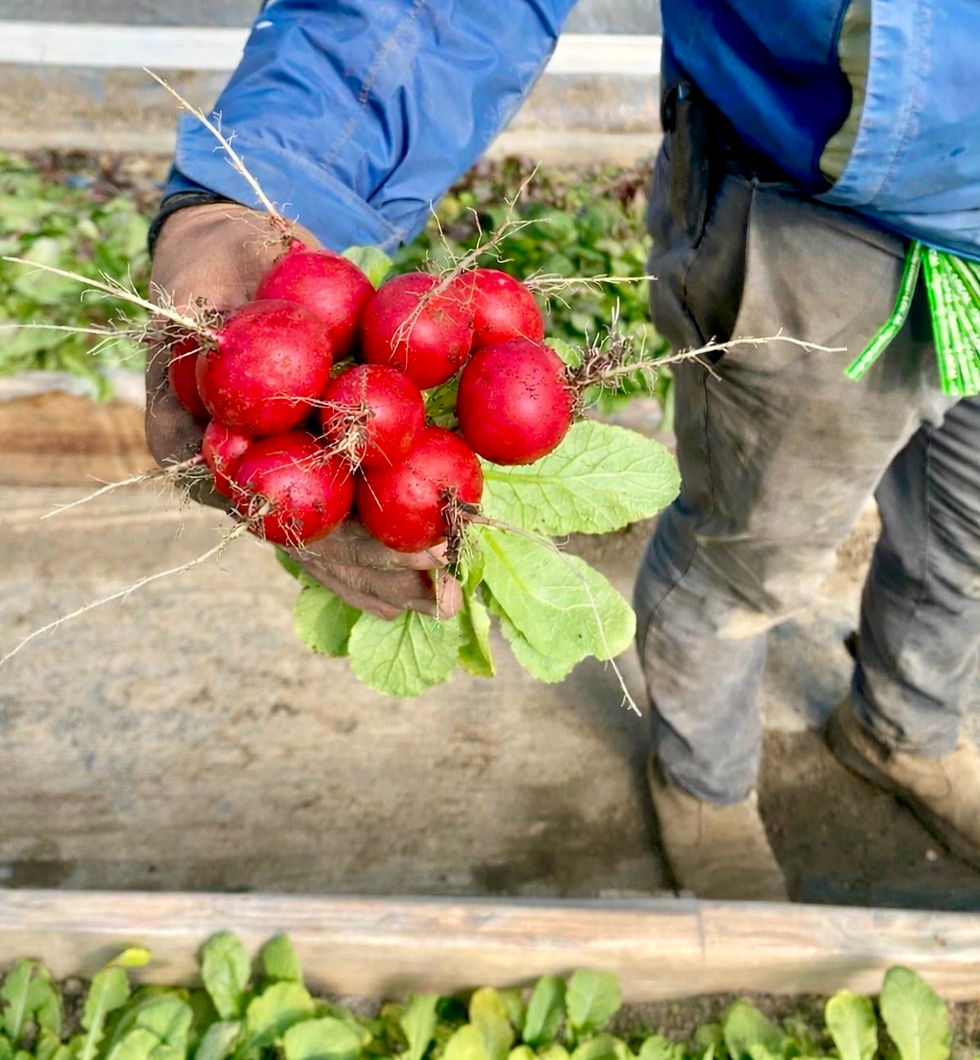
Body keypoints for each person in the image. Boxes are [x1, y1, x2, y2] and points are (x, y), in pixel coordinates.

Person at [146, 1, 980, 901]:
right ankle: (702, 782)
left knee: (968, 537)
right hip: (818, 216)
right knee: (749, 559)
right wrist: (273, 181)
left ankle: (906, 727)